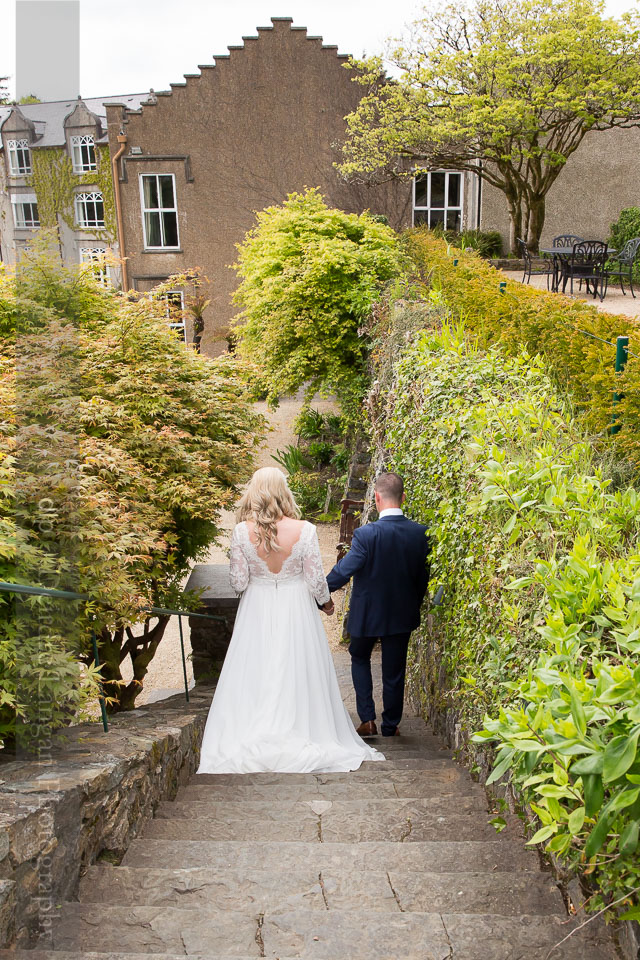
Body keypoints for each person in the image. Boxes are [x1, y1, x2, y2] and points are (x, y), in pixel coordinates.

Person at [197, 467, 384, 774]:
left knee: (257, 668)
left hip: (257, 607)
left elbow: (239, 582)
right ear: (284, 492)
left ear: (255, 492)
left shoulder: (241, 532)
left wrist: (261, 576)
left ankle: (256, 728)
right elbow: (314, 579)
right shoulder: (305, 530)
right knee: (297, 666)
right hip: (295, 608)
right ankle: (301, 727)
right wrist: (326, 603)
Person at [326, 471, 430, 738]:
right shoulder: (421, 534)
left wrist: (320, 590)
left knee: (359, 657)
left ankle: (367, 719)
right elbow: (423, 579)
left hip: (366, 614)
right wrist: (413, 604)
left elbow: (345, 570)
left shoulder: (365, 535)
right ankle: (390, 725)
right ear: (403, 497)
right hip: (401, 613)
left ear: (376, 497)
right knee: (394, 670)